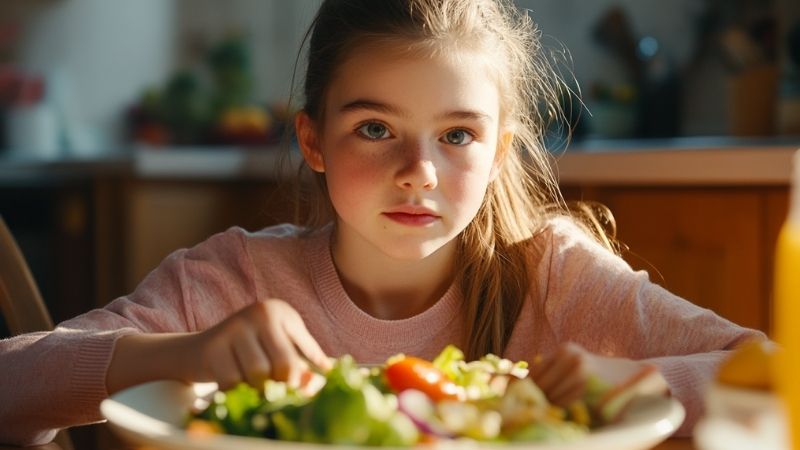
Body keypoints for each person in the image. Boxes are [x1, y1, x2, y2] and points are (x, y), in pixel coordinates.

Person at [0, 0, 764, 446]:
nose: (419, 171)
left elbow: (775, 382)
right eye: (375, 128)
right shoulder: (235, 281)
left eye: (457, 136)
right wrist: (181, 353)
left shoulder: (554, 276)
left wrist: (630, 379)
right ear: (313, 142)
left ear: (498, 153)